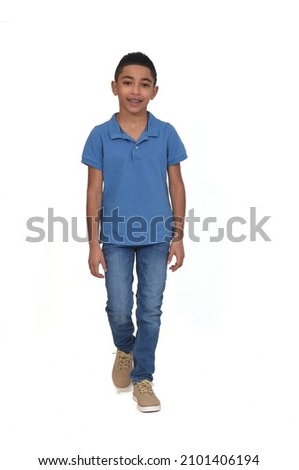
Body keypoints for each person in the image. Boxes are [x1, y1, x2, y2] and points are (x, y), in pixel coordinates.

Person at [81, 52, 187, 412]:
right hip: (113, 238)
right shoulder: (100, 136)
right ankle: (125, 347)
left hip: (158, 236)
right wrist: (93, 245)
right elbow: (93, 191)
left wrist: (178, 236)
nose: (135, 90)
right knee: (120, 307)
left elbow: (176, 184)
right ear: (115, 87)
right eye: (128, 82)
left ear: (154, 91)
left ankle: (143, 378)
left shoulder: (166, 133)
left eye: (144, 84)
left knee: (151, 311)